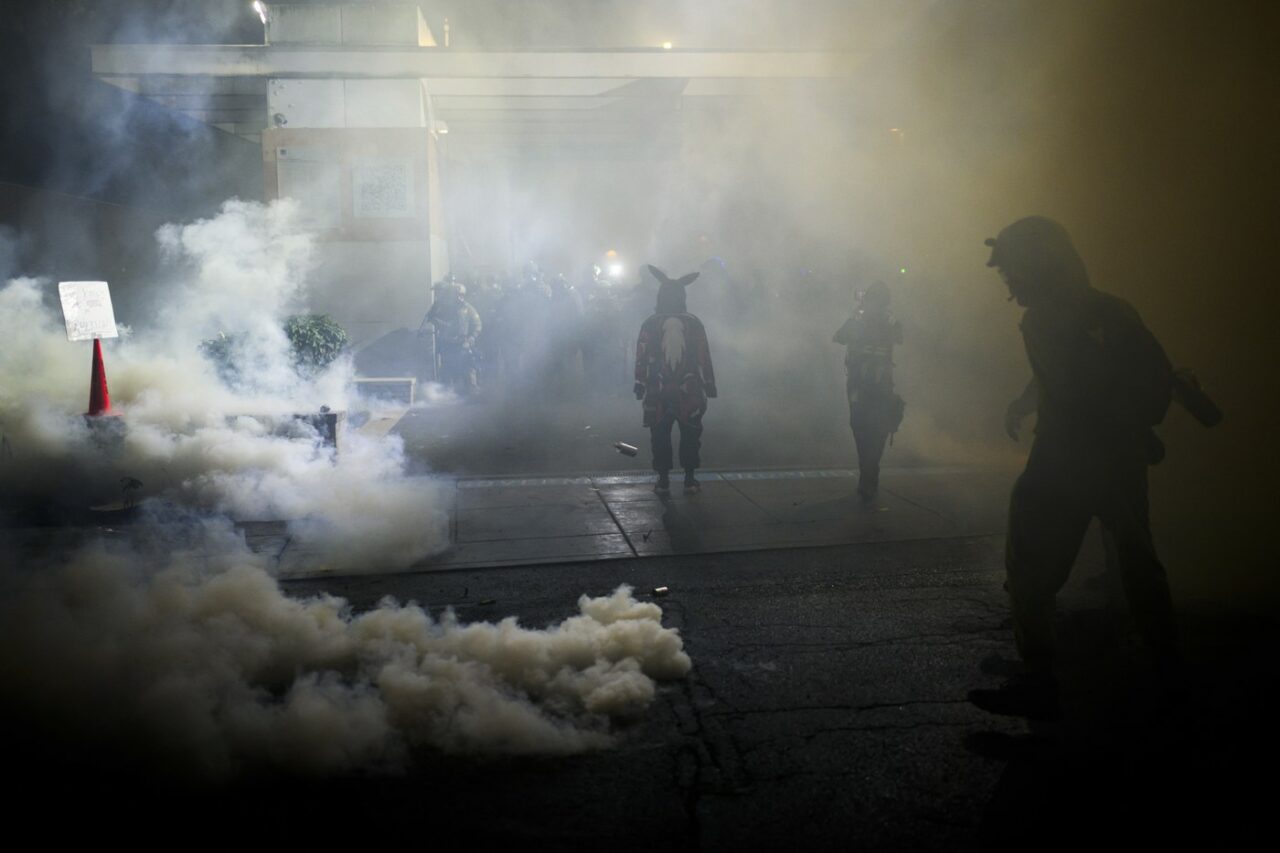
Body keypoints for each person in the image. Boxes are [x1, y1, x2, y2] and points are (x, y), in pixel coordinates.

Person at [969, 216, 1180, 719]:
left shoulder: (1043, 319)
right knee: (1138, 565)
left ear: (1036, 263)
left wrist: (1058, 428)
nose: (1008, 280)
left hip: (1066, 459)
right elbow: (1122, 377)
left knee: (1028, 565)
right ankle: (1168, 674)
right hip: (1119, 457)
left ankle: (1039, 677)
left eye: (1012, 268)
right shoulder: (1110, 307)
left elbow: (1072, 387)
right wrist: (1135, 434)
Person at [634, 265, 717, 495]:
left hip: (657, 387)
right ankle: (689, 478)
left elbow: (641, 355)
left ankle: (663, 479)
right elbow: (703, 355)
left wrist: (639, 383)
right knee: (691, 434)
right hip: (689, 387)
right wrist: (709, 383)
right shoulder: (694, 323)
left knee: (659, 435)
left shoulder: (650, 323)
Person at [833, 281, 904, 503]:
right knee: (875, 429)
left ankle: (868, 472)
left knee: (862, 427)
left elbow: (839, 337)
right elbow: (899, 338)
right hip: (880, 386)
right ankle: (870, 472)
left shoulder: (859, 321)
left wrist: (858, 317)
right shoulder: (890, 322)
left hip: (861, 386)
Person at [423, 276, 482, 395]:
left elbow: (477, 325)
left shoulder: (468, 308)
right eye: (456, 295)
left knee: (468, 372)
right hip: (448, 345)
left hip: (463, 344)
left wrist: (471, 338)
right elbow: (435, 319)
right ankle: (448, 396)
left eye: (461, 295)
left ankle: (472, 395)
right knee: (447, 372)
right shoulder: (445, 308)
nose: (459, 297)